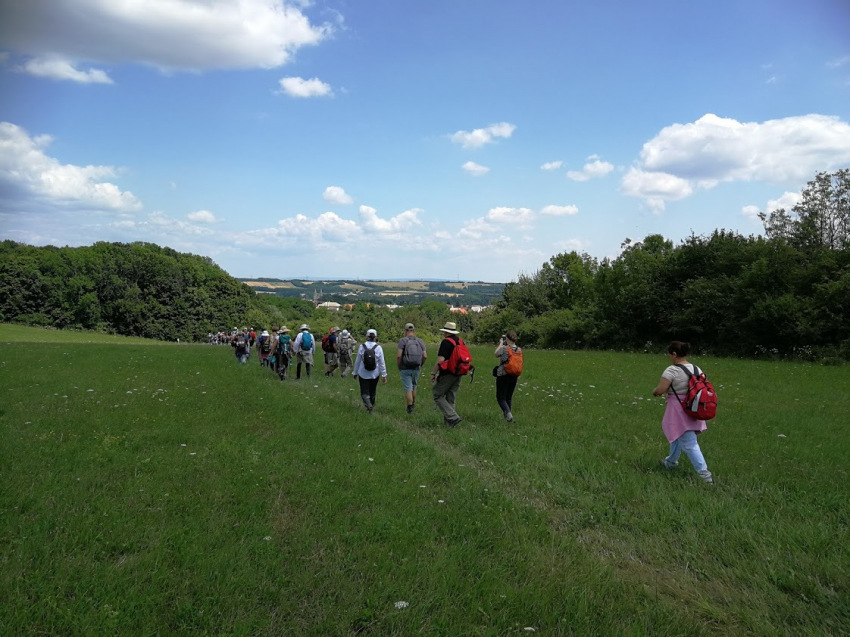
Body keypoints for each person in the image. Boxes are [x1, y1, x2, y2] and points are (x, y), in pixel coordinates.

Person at [652, 341, 714, 484]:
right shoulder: (696, 369)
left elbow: (661, 390)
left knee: (689, 442)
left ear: (674, 354)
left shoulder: (672, 370)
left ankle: (705, 475)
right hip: (693, 406)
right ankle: (671, 462)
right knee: (678, 434)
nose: (669, 357)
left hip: (678, 409)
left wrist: (654, 392)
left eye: (669, 354)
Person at [429, 321, 463, 427]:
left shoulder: (446, 342)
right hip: (459, 372)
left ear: (446, 332)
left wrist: (433, 373)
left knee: (437, 394)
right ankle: (449, 425)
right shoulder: (460, 341)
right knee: (450, 398)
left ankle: (453, 417)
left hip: (447, 373)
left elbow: (440, 360)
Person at [353, 328, 388, 412]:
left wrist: (355, 372)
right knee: (372, 391)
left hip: (363, 373)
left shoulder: (362, 347)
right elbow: (382, 362)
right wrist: (384, 375)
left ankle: (368, 404)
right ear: (375, 337)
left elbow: (358, 361)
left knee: (364, 392)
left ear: (366, 336)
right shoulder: (378, 348)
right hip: (375, 374)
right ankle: (371, 407)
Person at [397, 322, 427, 414]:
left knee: (408, 388)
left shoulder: (403, 341)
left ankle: (409, 408)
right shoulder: (420, 341)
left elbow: (399, 356)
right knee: (414, 386)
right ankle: (413, 404)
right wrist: (420, 364)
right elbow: (425, 356)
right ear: (414, 331)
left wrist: (399, 366)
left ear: (405, 331)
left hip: (405, 368)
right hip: (416, 367)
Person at [494, 330, 520, 422]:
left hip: (503, 374)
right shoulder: (519, 349)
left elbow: (496, 354)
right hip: (514, 375)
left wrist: (501, 343)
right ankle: (508, 418)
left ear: (507, 339)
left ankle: (509, 415)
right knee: (508, 397)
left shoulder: (505, 348)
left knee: (500, 398)